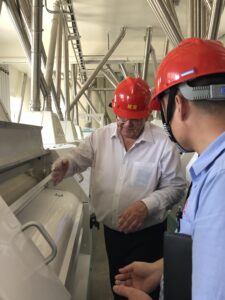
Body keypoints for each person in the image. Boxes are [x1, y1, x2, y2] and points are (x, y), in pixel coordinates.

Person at [51, 76, 186, 300]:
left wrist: (146, 205)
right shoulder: (100, 137)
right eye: (123, 118)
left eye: (136, 119)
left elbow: (176, 187)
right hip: (113, 234)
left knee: (146, 289)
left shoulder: (162, 144)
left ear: (147, 114)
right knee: (118, 285)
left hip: (148, 236)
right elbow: (78, 158)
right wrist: (67, 164)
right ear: (115, 111)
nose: (128, 125)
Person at [113, 38, 225, 300]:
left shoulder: (220, 181)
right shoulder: (211, 168)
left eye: (161, 108)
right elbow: (209, 247)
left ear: (180, 105)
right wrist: (161, 269)